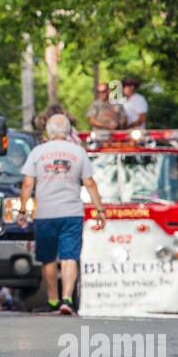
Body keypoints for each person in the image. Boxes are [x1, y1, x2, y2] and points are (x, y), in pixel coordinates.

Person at [17, 113, 107, 312]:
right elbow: (89, 183)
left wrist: (23, 209)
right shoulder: (78, 152)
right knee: (69, 256)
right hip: (72, 212)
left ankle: (52, 300)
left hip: (45, 213)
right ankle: (67, 299)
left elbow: (27, 183)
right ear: (67, 131)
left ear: (48, 131)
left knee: (48, 259)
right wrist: (100, 210)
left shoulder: (38, 152)